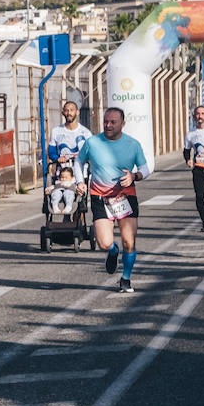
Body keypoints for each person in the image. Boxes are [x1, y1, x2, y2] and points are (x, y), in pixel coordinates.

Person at [74, 107, 150, 293]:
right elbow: (78, 161)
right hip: (100, 198)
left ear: (122, 124)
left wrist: (134, 176)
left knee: (129, 241)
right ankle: (113, 251)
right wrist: (80, 181)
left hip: (125, 196)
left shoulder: (133, 144)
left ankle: (126, 279)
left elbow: (145, 168)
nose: (108, 125)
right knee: (104, 243)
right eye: (106, 121)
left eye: (113, 122)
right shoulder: (92, 142)